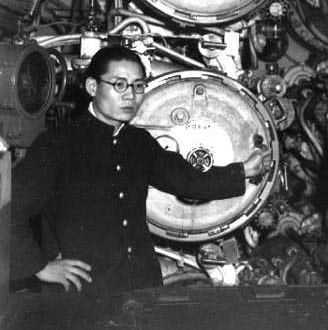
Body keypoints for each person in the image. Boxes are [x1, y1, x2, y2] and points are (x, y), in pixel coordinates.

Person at [11, 45, 271, 294]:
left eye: (137, 86)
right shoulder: (58, 143)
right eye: (119, 85)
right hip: (82, 293)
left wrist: (242, 171)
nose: (130, 95)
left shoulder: (139, 142)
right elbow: (10, 207)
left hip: (142, 284)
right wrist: (38, 267)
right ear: (92, 87)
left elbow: (186, 181)